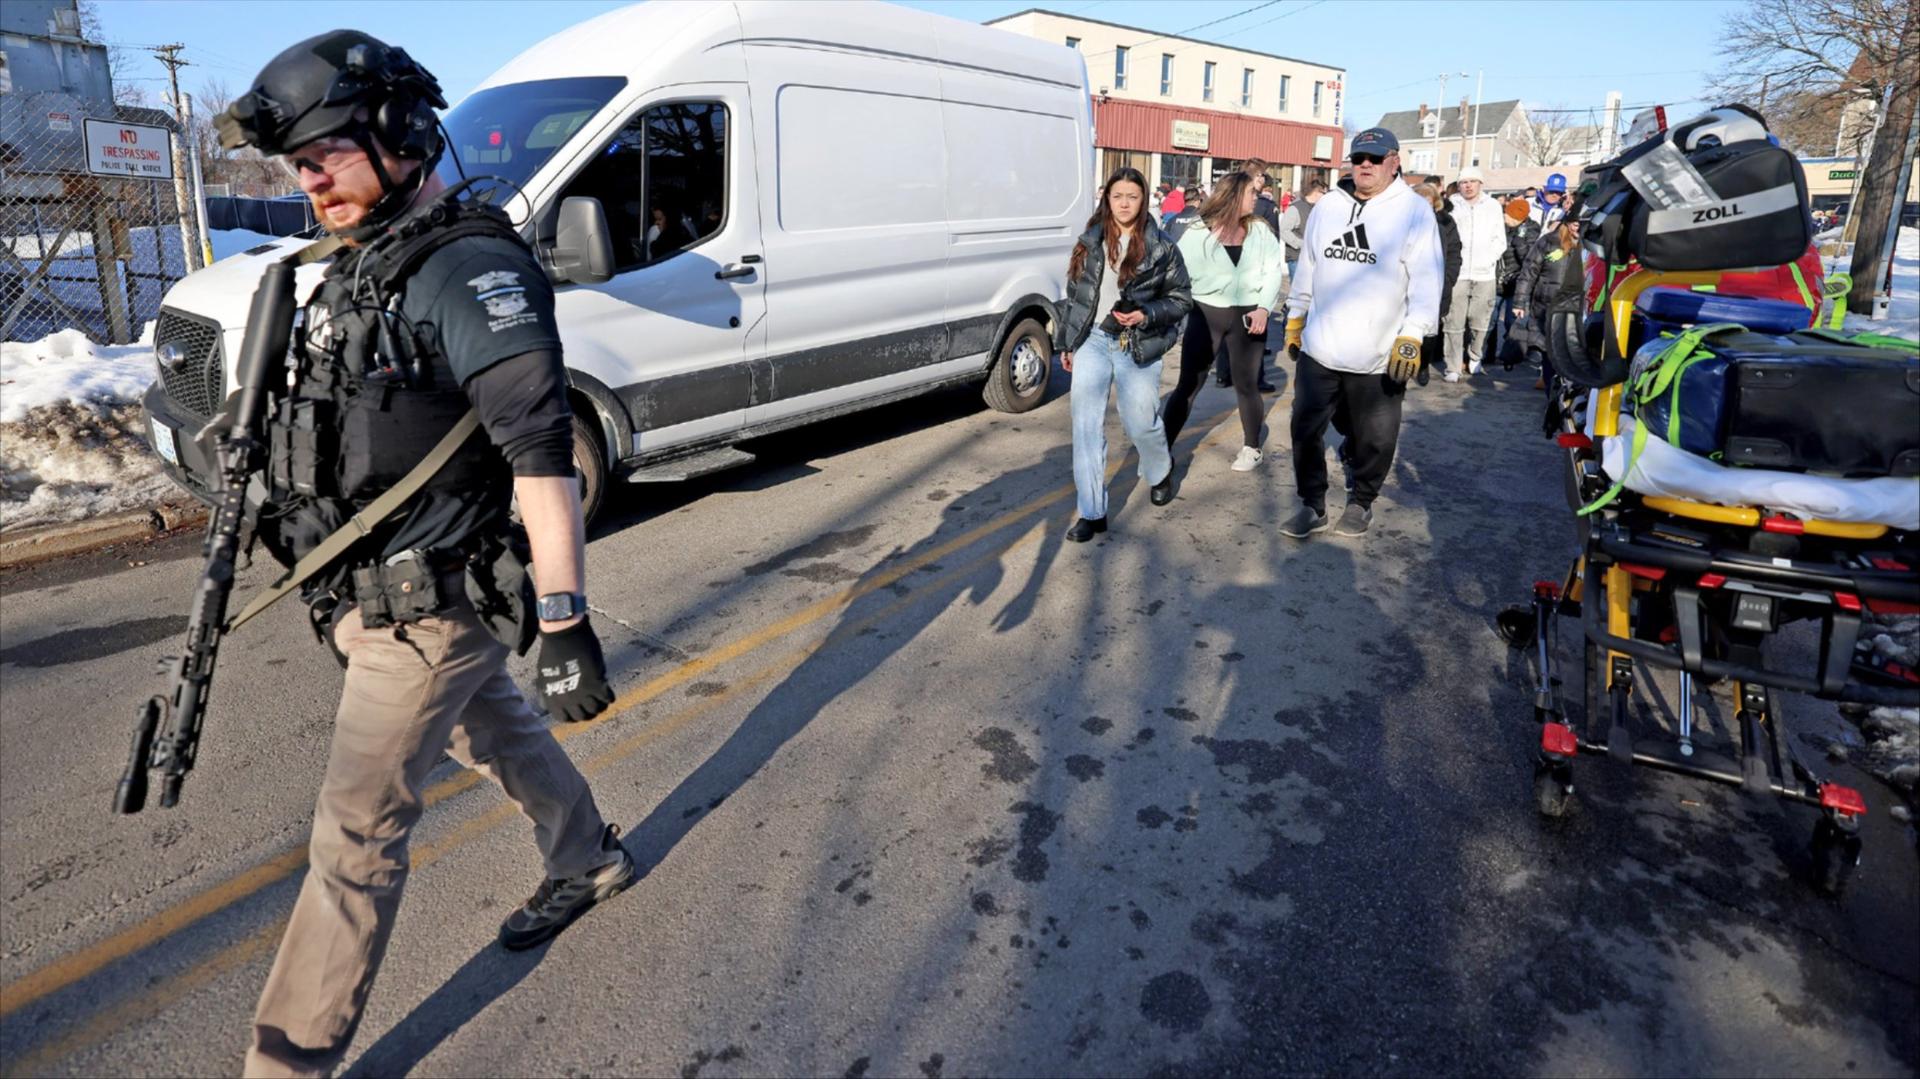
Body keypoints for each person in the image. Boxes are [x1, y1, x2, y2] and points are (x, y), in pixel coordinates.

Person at [215, 31, 630, 1077]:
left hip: (429, 604)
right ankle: (587, 855)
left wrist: (567, 614)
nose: (309, 182)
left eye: (324, 157)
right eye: (296, 167)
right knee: (490, 731)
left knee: (353, 839)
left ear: (398, 133)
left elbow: (540, 453)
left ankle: (284, 1063)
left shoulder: (472, 269)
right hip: (362, 591)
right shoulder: (362, 262)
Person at [1278, 127, 1442, 539]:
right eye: (1358, 158)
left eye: (1374, 157)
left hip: (1379, 352)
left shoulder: (1412, 210)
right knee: (1304, 430)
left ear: (1394, 160)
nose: (1364, 165)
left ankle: (1362, 501)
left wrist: (1414, 333)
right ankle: (1312, 505)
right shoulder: (1330, 205)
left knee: (1375, 437)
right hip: (1322, 346)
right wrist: (1297, 316)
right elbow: (1310, 265)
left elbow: (1427, 278)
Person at [1056, 167, 1192, 541]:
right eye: (1118, 196)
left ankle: (1160, 469)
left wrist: (1146, 314)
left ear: (1143, 199)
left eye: (1132, 196)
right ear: (1107, 198)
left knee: (1140, 423)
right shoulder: (1090, 239)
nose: (1125, 203)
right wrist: (1067, 342)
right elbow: (1076, 296)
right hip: (1093, 342)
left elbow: (1181, 299)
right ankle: (1092, 512)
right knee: (1085, 426)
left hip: (1135, 344)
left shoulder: (1162, 246)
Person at [1170, 171, 1287, 471]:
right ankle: (1161, 450)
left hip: (1249, 316)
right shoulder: (1198, 232)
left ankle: (1252, 447)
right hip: (1206, 314)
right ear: (1234, 195)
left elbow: (1273, 270)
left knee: (1247, 385)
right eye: (1251, 192)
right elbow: (1179, 275)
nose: (1256, 197)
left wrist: (1263, 308)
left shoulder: (1260, 231)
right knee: (1188, 386)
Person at [1443, 165, 1506, 380]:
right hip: (1458, 273)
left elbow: (1500, 239)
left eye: (1472, 181)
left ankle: (1475, 356)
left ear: (1480, 184)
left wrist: (1489, 259)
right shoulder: (1452, 205)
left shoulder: (1492, 206)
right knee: (1454, 321)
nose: (1467, 186)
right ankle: (1452, 366)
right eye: (1463, 182)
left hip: (1484, 273)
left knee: (1480, 321)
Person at [1513, 216, 1582, 390]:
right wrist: (1519, 302)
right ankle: (1551, 392)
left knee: (1570, 354)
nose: (1578, 227)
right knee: (1549, 352)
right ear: (1567, 223)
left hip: (1577, 308)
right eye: (1575, 223)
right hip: (1547, 307)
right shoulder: (1549, 241)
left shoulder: (1592, 245)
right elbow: (1529, 272)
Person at [1411, 182, 1461, 387]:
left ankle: (1423, 365)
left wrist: (1448, 278)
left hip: (1436, 283)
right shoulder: (1404, 220)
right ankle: (1404, 364)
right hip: (1408, 281)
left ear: (1434, 203)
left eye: (1427, 200)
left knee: (1429, 330)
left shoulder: (1446, 222)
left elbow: (1454, 252)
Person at [1491, 196, 1539, 365]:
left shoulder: (1531, 230)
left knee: (1512, 321)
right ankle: (1489, 354)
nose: (1505, 217)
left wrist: (1519, 243)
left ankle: (1511, 354)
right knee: (1491, 319)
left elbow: (1530, 259)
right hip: (1497, 279)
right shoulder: (1499, 226)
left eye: (1508, 215)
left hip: (1516, 283)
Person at [1278, 179, 1326, 282]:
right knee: (1298, 295)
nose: (1326, 196)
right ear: (1317, 192)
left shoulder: (1320, 208)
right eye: (1324, 193)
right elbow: (1283, 230)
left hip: (1314, 259)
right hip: (1297, 258)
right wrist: (1302, 244)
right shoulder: (1295, 208)